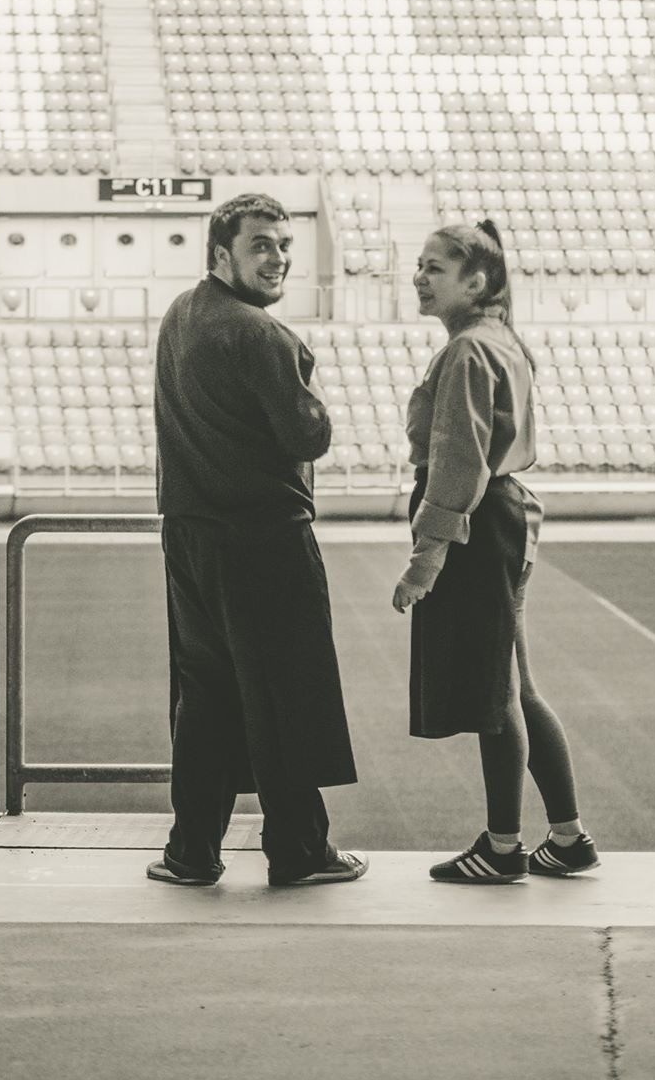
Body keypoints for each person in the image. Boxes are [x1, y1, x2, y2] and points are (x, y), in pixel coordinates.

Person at [151, 192, 365, 889]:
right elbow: (309, 435)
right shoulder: (263, 336)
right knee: (286, 695)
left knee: (205, 697)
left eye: (283, 244)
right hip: (264, 540)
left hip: (188, 538)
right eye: (261, 245)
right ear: (222, 255)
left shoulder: (181, 314)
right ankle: (299, 850)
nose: (278, 258)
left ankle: (192, 849)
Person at [392, 221, 598, 883]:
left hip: (479, 526)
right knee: (517, 684)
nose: (420, 278)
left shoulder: (467, 353)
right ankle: (565, 837)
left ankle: (503, 846)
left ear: (475, 280)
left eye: (435, 268)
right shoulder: (500, 340)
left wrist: (423, 563)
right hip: (504, 516)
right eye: (418, 267)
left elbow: (456, 464)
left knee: (495, 693)